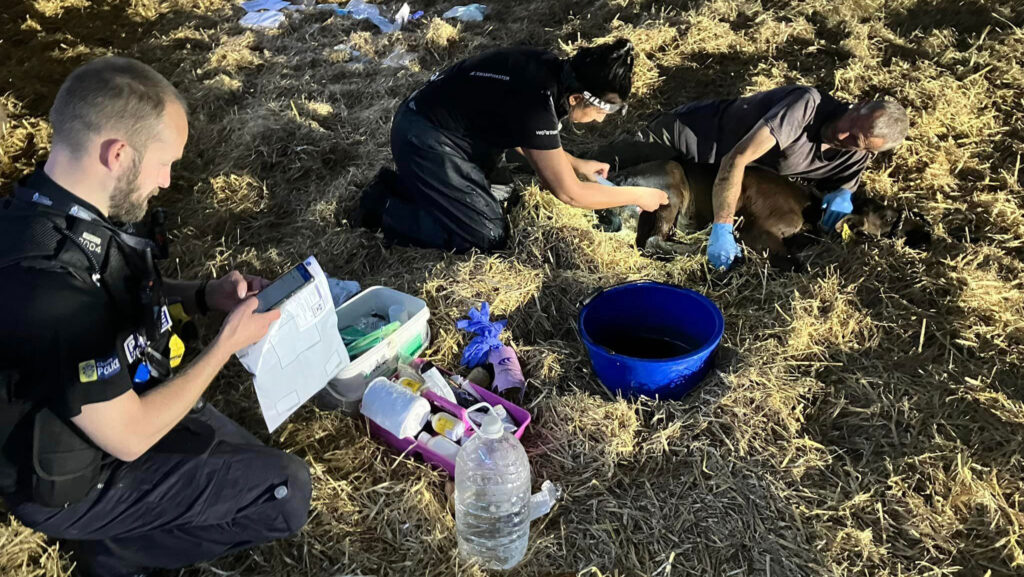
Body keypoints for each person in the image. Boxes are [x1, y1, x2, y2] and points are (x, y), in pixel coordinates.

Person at [0, 57, 311, 577]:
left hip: (123, 399)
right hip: (77, 479)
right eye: (164, 163)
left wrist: (205, 296)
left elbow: (118, 291)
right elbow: (131, 436)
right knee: (284, 491)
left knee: (245, 460)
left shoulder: (60, 212)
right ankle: (111, 552)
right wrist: (224, 346)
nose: (166, 181)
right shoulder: (45, 286)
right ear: (118, 154)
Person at [353, 38, 670, 252]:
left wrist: (575, 163)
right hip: (425, 136)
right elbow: (569, 192)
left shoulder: (550, 72)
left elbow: (525, 137)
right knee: (485, 235)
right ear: (577, 98)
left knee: (504, 196)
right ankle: (382, 206)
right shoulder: (536, 102)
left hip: (452, 130)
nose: (600, 120)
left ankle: (414, 188)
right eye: (601, 111)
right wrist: (637, 195)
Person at [603, 86, 909, 269]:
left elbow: (843, 190)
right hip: (692, 138)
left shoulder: (856, 154)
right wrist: (722, 227)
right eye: (852, 123)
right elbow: (736, 160)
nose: (846, 135)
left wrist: (842, 195)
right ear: (856, 105)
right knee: (601, 164)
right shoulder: (806, 106)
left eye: (858, 141)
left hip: (704, 176)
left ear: (869, 150)